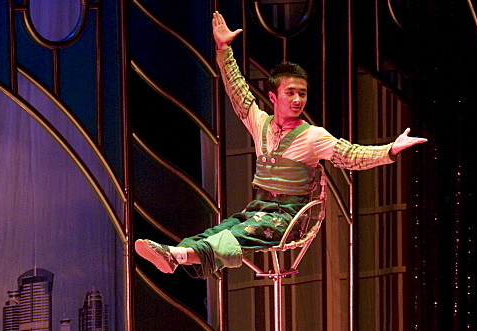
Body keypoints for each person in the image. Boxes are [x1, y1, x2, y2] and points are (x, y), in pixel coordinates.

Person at [136, 11, 427, 278]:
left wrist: (390, 149)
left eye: (302, 94)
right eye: (290, 93)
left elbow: (351, 155)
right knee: (222, 230)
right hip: (259, 209)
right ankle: (174, 255)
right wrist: (224, 51)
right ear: (273, 97)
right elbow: (237, 91)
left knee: (239, 234)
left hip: (288, 219)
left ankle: (175, 255)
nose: (298, 100)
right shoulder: (260, 124)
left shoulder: (313, 136)